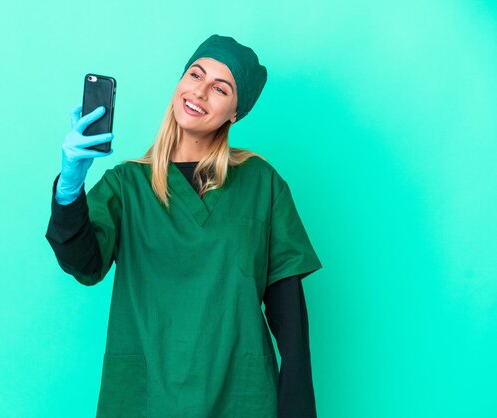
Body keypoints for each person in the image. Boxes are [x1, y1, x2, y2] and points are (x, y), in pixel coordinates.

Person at [45, 34, 323, 418]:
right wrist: (71, 185)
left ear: (235, 112)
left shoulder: (262, 183)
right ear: (179, 82)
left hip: (239, 399)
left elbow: (289, 318)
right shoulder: (128, 185)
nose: (200, 92)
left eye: (220, 88)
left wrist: (297, 410)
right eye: (195, 74)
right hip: (147, 398)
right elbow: (84, 264)